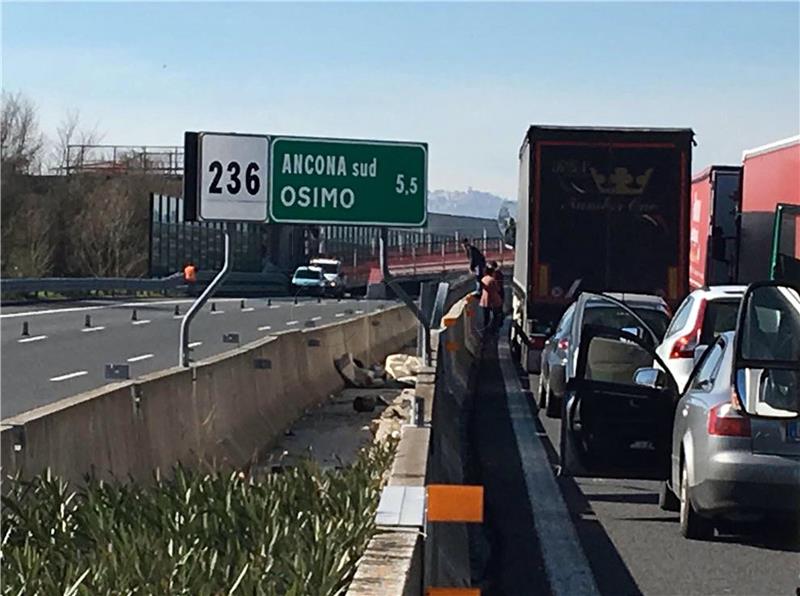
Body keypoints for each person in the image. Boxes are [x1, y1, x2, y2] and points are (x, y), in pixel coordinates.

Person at [480, 264, 503, 332]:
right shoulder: (492, 280)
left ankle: (486, 330)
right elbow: (498, 289)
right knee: (496, 315)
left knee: (486, 317)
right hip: (494, 300)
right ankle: (494, 329)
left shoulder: (483, 279)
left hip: (485, 301)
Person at [490, 261, 505, 325]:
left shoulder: (495, 274)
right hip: (501, 292)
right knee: (499, 309)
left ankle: (497, 323)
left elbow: (495, 285)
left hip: (497, 294)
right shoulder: (500, 273)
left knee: (496, 311)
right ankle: (500, 322)